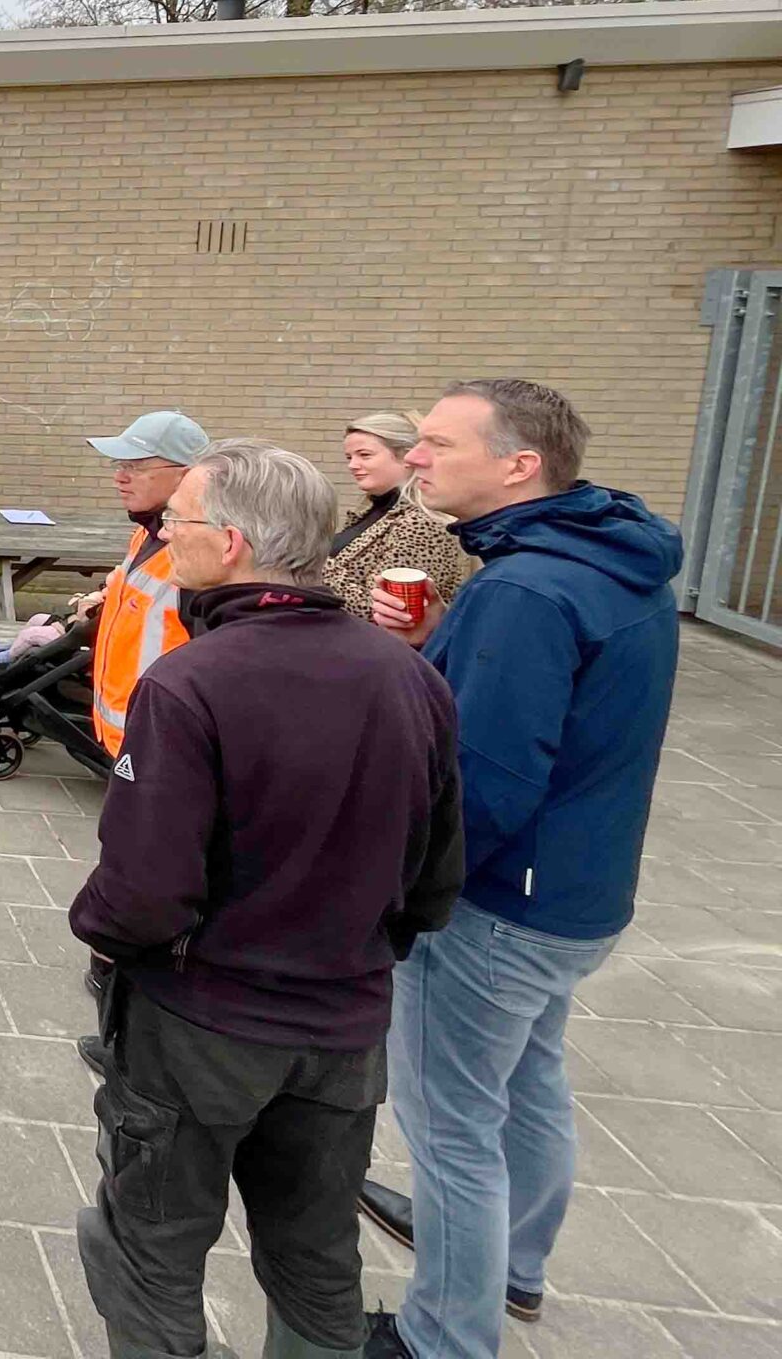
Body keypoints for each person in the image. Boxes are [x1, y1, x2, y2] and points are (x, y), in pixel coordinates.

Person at [68, 441, 463, 1359]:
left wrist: (102, 936)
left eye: (180, 522)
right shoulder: (410, 677)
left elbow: (144, 896)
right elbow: (437, 877)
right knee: (318, 1260)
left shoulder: (190, 683)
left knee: (153, 1257)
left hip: (201, 1029)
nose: (166, 535)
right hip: (344, 1030)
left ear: (233, 543)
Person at [355, 381, 682, 1359]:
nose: (417, 457)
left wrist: (398, 893)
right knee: (529, 1078)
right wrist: (438, 651)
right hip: (578, 895)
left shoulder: (524, 592)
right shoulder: (608, 560)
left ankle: (441, 1337)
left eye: (438, 443)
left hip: (496, 908)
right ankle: (512, 1265)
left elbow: (483, 784)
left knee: (451, 1127)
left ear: (518, 466)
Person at [76, 410, 213, 760]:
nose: (120, 477)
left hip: (162, 750)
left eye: (136, 466)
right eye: (119, 465)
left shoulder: (199, 559)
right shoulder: (145, 534)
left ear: (186, 475)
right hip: (127, 743)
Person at [319, 411, 470, 620]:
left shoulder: (421, 524)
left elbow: (392, 613)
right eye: (349, 457)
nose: (352, 465)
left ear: (407, 456)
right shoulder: (372, 513)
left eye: (364, 455)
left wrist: (313, 561)